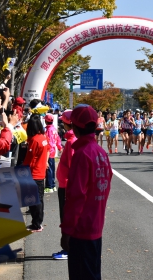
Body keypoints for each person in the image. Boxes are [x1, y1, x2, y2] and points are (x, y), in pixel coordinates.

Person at [60, 104, 112, 280]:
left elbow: (75, 196)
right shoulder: (100, 152)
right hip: (95, 224)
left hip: (80, 228)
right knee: (92, 273)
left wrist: (66, 231)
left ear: (74, 126)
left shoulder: (82, 154)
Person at [52, 110, 76, 260]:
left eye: (64, 121)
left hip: (67, 186)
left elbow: (73, 166)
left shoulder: (72, 141)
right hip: (64, 184)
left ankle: (68, 249)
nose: (62, 123)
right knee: (66, 217)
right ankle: (68, 248)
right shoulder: (71, 139)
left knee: (67, 218)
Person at [23, 114, 49, 232]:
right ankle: (37, 222)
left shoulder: (34, 140)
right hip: (40, 171)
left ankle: (37, 224)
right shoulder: (43, 137)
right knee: (39, 198)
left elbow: (29, 158)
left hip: (33, 172)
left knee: (34, 200)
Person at [44, 113, 62, 193]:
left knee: (49, 169)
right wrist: (59, 147)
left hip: (49, 151)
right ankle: (53, 185)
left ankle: (49, 186)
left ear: (45, 121)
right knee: (52, 168)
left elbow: (49, 142)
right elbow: (58, 139)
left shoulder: (48, 130)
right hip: (53, 150)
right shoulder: (54, 129)